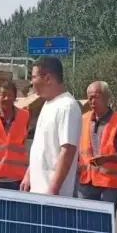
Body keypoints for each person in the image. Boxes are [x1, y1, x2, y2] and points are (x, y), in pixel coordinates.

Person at [21, 57, 82, 197]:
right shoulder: (48, 104)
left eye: (34, 77)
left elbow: (68, 150)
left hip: (53, 195)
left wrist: (53, 189)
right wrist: (29, 174)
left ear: (48, 78)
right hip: (38, 190)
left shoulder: (67, 106)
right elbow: (42, 146)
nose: (31, 82)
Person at [76, 81, 117, 213]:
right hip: (86, 182)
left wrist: (106, 158)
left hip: (109, 184)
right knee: (86, 224)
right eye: (89, 97)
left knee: (105, 225)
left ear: (107, 98)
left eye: (96, 96)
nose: (92, 101)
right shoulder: (83, 119)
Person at [0, 79, 29, 190]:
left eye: (10, 95)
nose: (6, 98)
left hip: (17, 179)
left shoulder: (25, 116)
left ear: (15, 97)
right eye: (2, 95)